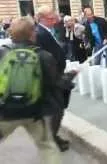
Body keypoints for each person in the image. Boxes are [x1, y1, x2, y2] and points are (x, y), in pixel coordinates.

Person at [0, 17, 64, 164]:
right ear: (32, 34)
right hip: (34, 111)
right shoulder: (44, 56)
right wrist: (70, 76)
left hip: (5, 112)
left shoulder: (3, 54)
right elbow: (56, 83)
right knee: (47, 147)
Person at [35, 5, 70, 152]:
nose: (54, 18)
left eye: (54, 15)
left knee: (58, 108)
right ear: (42, 18)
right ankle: (51, 139)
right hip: (51, 78)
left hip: (55, 75)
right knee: (57, 109)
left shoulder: (47, 31)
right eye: (50, 17)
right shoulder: (40, 33)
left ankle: (53, 136)